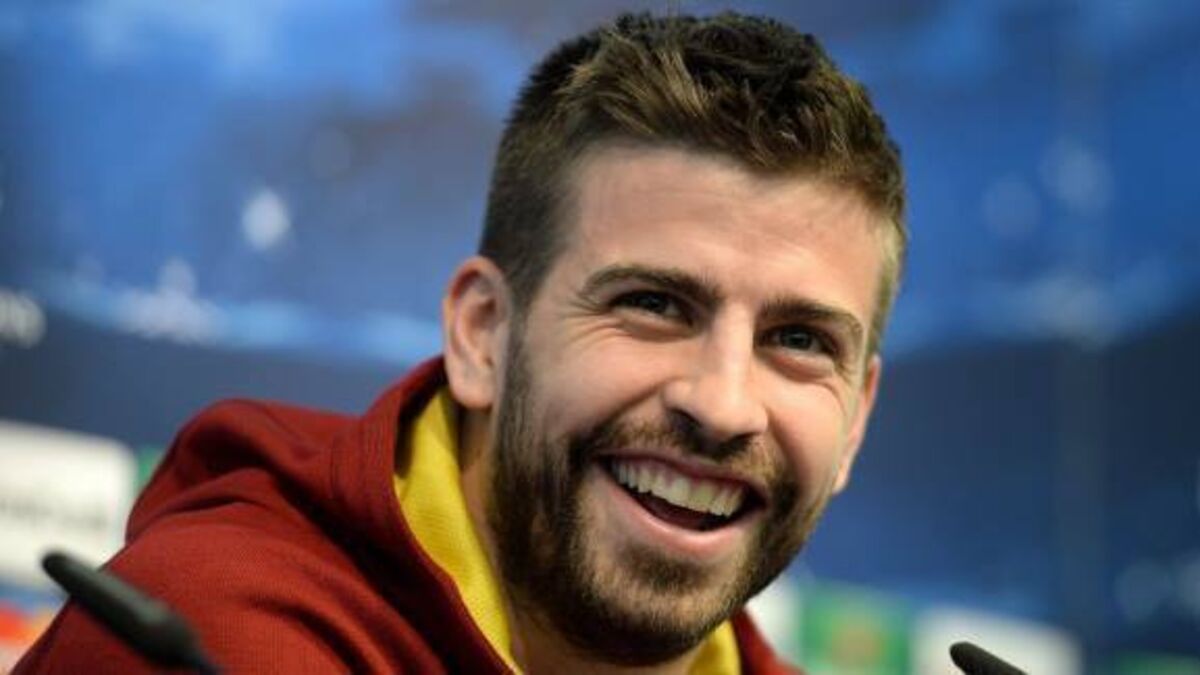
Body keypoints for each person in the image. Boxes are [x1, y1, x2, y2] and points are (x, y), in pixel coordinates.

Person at [15, 11, 905, 675]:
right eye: (654, 304)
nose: (722, 404)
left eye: (799, 339)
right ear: (483, 334)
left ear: (857, 422)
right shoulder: (216, 641)